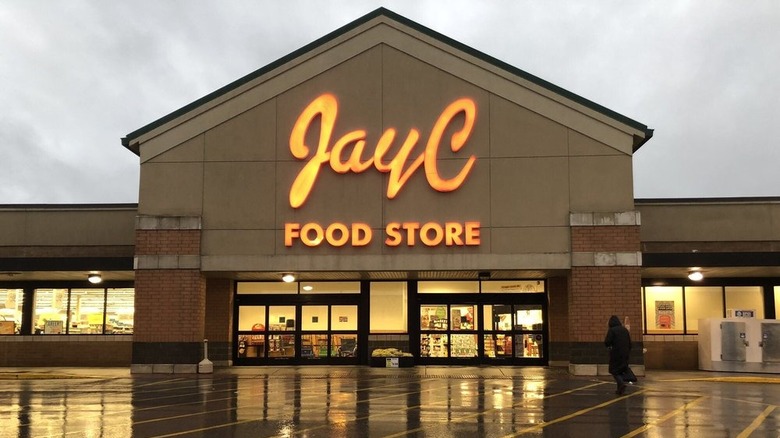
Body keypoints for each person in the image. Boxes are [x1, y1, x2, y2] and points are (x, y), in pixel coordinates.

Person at [604, 315, 631, 395]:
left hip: (616, 353)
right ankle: (619, 389)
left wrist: (609, 346)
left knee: (613, 370)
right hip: (625, 353)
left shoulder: (612, 330)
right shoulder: (624, 330)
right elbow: (629, 342)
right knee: (621, 370)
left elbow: (607, 342)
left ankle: (621, 384)